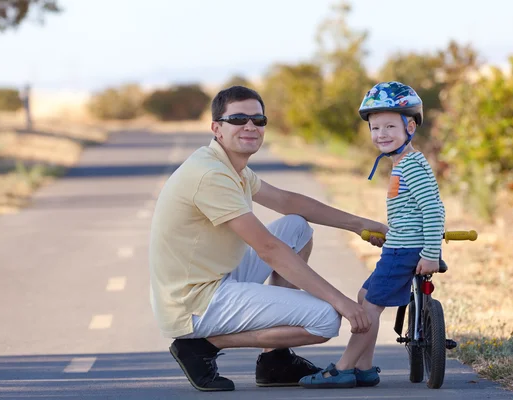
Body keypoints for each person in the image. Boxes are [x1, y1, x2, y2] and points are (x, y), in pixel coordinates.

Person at [148, 85, 388, 392]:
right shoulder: (210, 175)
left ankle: (275, 360)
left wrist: (360, 224)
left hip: (215, 278)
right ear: (216, 128)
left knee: (296, 227)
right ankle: (202, 346)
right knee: (327, 319)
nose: (250, 126)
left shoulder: (230, 166)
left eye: (258, 120)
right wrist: (341, 301)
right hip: (193, 302)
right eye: (238, 119)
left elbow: (289, 203)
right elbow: (268, 249)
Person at [299, 81, 446, 389]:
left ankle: (343, 367)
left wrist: (431, 253)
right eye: (375, 128)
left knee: (367, 309)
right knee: (366, 296)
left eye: (390, 126)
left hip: (404, 251)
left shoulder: (411, 167)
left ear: (410, 126)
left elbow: (434, 211)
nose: (381, 134)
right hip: (398, 246)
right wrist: (389, 234)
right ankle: (364, 368)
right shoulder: (401, 164)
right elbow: (410, 213)